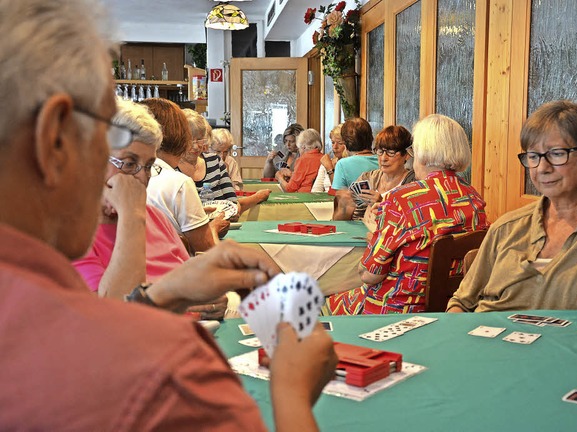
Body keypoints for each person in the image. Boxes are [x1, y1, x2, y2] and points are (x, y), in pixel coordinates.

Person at [0, 0, 337, 430]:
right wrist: (293, 391)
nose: (131, 176)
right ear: (55, 141)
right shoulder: (169, 377)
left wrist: (158, 299)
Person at [448, 100, 577, 312]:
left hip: (565, 344)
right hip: (488, 339)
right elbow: (462, 303)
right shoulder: (507, 227)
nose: (542, 168)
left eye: (557, 154)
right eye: (533, 156)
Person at [71, 99, 229, 318]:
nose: (141, 177)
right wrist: (131, 215)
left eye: (148, 166)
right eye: (128, 163)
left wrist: (207, 297)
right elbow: (114, 315)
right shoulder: (71, 235)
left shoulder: (155, 217)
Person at [326, 114, 489, 315]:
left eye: (413, 150)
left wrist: (377, 239)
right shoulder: (475, 200)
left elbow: (369, 275)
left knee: (323, 301)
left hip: (394, 311)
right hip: (450, 310)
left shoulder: (402, 199)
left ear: (423, 154)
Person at [141, 98, 225, 249]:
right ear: (182, 138)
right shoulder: (179, 183)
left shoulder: (124, 176)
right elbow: (206, 251)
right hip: (174, 269)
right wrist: (213, 227)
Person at [333, 125, 416, 221]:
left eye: (391, 152)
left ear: (406, 155)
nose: (383, 158)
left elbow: (412, 223)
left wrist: (383, 204)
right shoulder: (367, 178)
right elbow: (340, 223)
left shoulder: (412, 184)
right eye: (380, 151)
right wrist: (344, 208)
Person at [331, 117, 379, 219]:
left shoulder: (342, 164)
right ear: (371, 138)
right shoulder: (382, 161)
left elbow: (337, 201)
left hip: (354, 219)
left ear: (345, 143)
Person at [275, 128, 324, 192]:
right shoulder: (324, 158)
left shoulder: (303, 160)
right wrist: (292, 175)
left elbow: (289, 189)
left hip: (303, 197)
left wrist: (279, 177)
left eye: (299, 148)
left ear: (303, 147)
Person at [312, 123, 347, 192]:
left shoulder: (350, 164)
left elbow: (341, 192)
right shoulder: (327, 162)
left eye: (340, 143)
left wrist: (329, 168)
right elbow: (315, 191)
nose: (335, 147)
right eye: (333, 142)